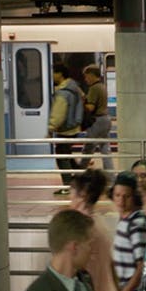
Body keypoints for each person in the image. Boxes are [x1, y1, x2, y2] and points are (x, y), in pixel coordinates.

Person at [49, 63, 85, 195]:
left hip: (65, 129)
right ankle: (81, 179)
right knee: (67, 155)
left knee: (62, 157)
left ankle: (68, 186)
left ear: (60, 74)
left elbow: (58, 114)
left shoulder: (63, 92)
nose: (52, 75)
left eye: (54, 72)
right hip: (74, 127)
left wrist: (51, 127)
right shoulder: (75, 87)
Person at [79, 65, 113, 172]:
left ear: (92, 75)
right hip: (106, 119)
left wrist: (81, 104)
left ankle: (80, 173)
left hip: (97, 121)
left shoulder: (94, 88)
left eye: (86, 76)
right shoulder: (102, 86)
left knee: (88, 149)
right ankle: (111, 176)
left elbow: (90, 107)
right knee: (105, 150)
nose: (85, 79)